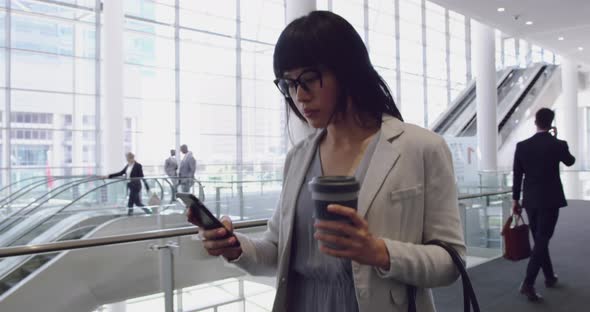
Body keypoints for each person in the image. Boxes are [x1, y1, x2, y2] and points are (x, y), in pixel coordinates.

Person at [193, 11, 464, 312]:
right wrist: (234, 247)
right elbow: (276, 250)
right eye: (288, 84)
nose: (299, 96)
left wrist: (379, 252)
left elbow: (450, 262)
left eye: (308, 79)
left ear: (347, 71)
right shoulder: (298, 157)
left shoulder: (421, 148)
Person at [512, 108, 576, 301]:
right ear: (551, 123)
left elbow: (517, 175)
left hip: (530, 200)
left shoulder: (522, 146)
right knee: (543, 239)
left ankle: (549, 277)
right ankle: (528, 283)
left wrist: (516, 199)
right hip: (550, 199)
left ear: (535, 121)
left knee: (541, 239)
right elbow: (570, 162)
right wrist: (557, 139)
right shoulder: (557, 144)